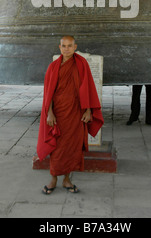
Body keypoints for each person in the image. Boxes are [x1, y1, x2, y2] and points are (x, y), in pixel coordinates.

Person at [36, 35, 104, 195]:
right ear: (59, 48)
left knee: (72, 147)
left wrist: (88, 110)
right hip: (58, 113)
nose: (67, 49)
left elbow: (88, 88)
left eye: (70, 46)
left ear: (75, 47)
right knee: (57, 147)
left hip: (76, 113)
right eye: (64, 46)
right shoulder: (53, 67)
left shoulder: (81, 64)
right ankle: (53, 178)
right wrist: (49, 113)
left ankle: (67, 179)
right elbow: (48, 94)